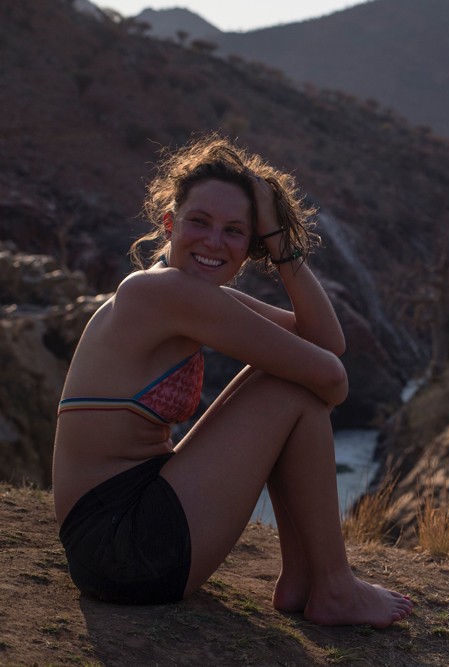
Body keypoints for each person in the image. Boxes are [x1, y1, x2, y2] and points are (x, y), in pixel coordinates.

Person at [52, 134, 413, 628]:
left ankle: (309, 578)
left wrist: (282, 245)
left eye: (235, 231)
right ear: (169, 223)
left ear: (250, 247)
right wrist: (320, 386)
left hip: (118, 535)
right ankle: (332, 584)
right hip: (123, 545)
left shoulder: (186, 290)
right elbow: (329, 373)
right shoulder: (161, 292)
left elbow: (327, 342)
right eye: (199, 222)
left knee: (289, 373)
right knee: (291, 384)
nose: (214, 242)